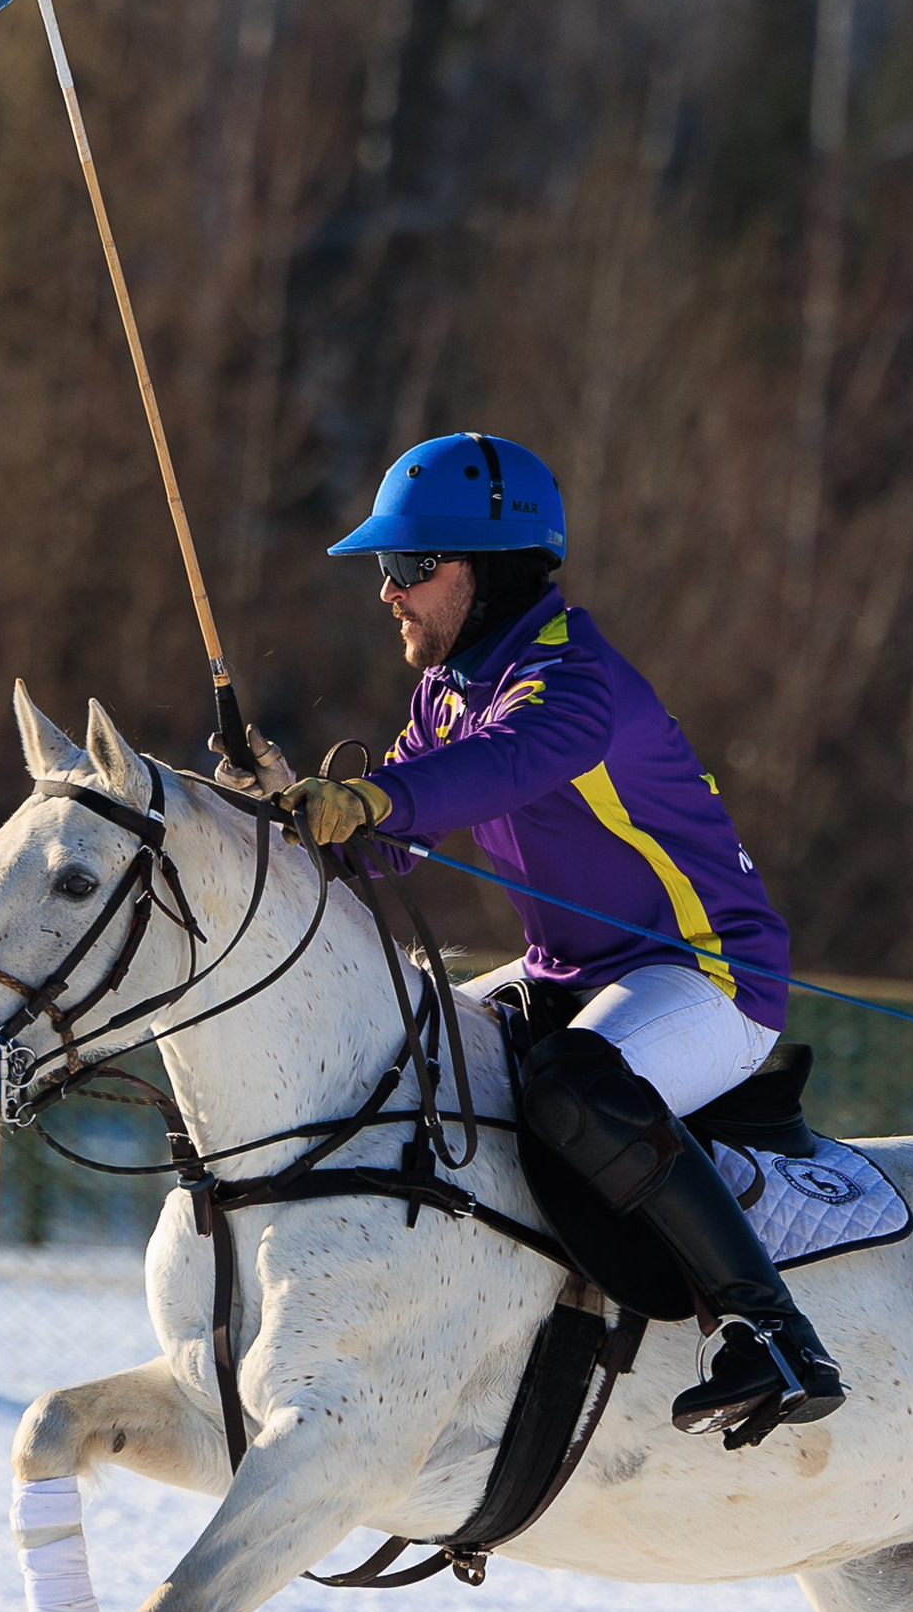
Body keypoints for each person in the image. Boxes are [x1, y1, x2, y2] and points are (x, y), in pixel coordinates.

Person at [228, 431, 844, 1448]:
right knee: (409, 1061)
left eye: (408, 566)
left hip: (707, 975)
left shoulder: (572, 682)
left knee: (573, 1087)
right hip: (573, 974)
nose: (387, 591)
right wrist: (285, 813)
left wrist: (373, 795)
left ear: (489, 566)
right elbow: (392, 850)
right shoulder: (449, 690)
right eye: (386, 568)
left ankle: (768, 1332)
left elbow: (499, 769)